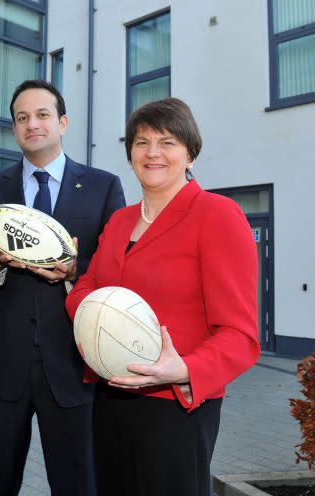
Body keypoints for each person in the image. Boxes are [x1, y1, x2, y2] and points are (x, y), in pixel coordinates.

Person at [65, 97, 260, 496]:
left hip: (175, 405)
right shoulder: (119, 221)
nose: (153, 152)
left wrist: (185, 369)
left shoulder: (217, 215)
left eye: (167, 141)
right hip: (110, 397)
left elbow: (240, 335)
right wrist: (88, 311)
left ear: (190, 153)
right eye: (141, 142)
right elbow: (88, 290)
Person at [0, 80, 125, 495]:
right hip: (4, 366)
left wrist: (76, 270)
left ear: (63, 122)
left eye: (41, 115)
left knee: (78, 484)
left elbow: (121, 268)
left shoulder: (103, 186)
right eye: (22, 118)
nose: (31, 124)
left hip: (74, 363)